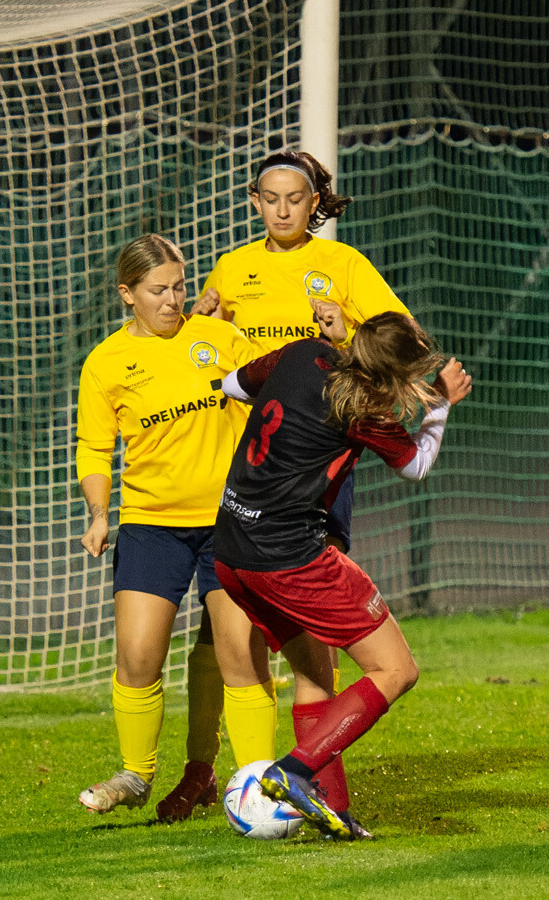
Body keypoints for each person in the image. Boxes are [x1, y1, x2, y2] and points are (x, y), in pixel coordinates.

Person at [197, 146, 410, 819]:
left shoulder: (343, 265)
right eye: (271, 198)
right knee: (246, 645)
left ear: (315, 203)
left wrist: (348, 331)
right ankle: (274, 781)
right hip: (246, 476)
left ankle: (306, 789)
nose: (283, 210)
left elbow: (396, 340)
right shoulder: (232, 269)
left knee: (314, 656)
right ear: (254, 202)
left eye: (296, 199)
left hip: (309, 484)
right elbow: (211, 358)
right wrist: (199, 321)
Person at [212, 312, 470, 839]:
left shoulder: (300, 352)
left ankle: (335, 814)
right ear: (398, 376)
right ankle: (293, 771)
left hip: (231, 550)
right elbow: (416, 466)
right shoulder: (365, 409)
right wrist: (441, 404)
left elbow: (233, 385)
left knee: (315, 676)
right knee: (396, 670)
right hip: (290, 559)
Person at [73, 233, 278, 821]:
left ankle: (258, 784)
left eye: (180, 287)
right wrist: (99, 514)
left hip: (230, 520)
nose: (172, 300)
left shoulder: (218, 339)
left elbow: (275, 394)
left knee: (240, 654)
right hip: (151, 525)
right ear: (127, 294)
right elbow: (94, 448)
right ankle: (136, 774)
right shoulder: (106, 362)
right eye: (157, 290)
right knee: (138, 657)